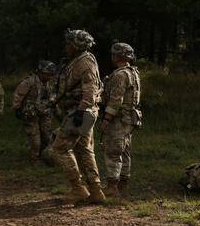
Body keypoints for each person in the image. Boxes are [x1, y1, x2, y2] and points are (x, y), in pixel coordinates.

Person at [51, 29, 106, 204]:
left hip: (80, 111)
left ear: (77, 45)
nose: (66, 47)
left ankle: (78, 188)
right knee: (84, 151)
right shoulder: (78, 60)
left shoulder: (85, 62)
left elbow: (90, 89)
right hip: (81, 111)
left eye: (69, 44)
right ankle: (96, 191)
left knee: (59, 148)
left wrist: (81, 112)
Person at [99, 42, 141, 197]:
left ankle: (112, 186)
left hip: (119, 119)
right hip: (130, 118)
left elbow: (115, 100)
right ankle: (123, 184)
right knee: (125, 151)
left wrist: (106, 120)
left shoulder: (120, 75)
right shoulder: (133, 72)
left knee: (113, 151)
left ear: (117, 56)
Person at [12, 60, 57, 163]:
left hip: (45, 113)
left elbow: (54, 98)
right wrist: (17, 109)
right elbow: (18, 95)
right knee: (35, 139)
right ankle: (34, 159)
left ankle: (46, 157)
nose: (49, 77)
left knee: (47, 136)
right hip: (31, 114)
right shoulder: (29, 81)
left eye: (51, 75)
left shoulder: (50, 83)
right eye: (47, 74)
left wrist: (56, 110)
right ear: (41, 72)